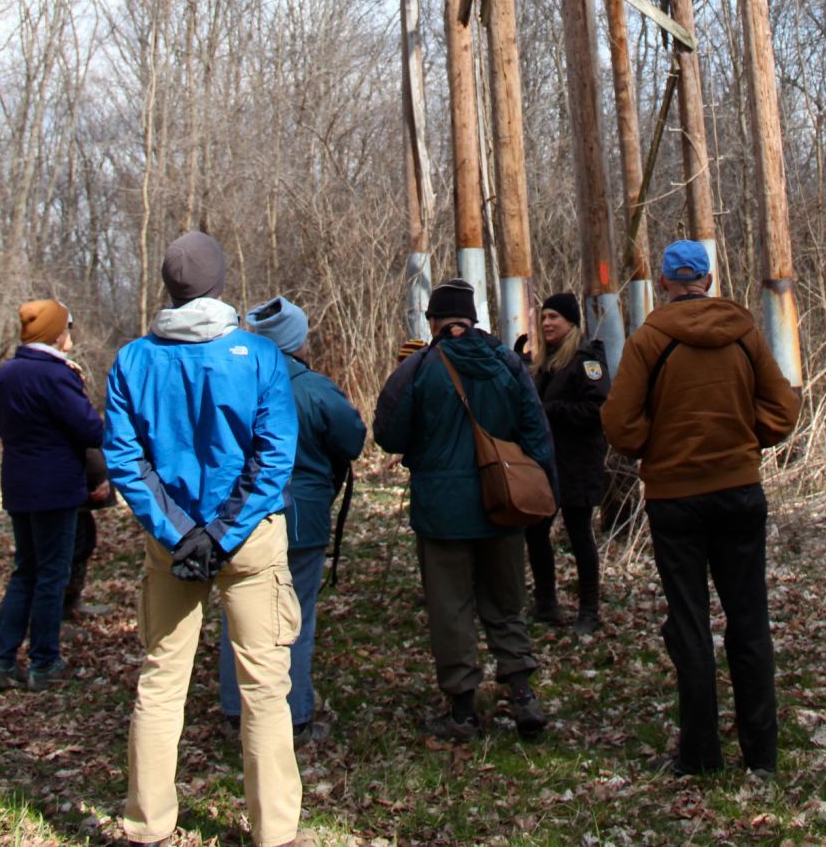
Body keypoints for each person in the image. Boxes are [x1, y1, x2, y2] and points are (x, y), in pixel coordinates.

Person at [104, 232, 304, 847]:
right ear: (220, 285)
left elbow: (124, 457)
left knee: (161, 680)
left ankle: (147, 826)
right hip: (249, 543)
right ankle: (275, 832)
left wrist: (183, 532)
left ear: (169, 287)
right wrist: (219, 532)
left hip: (174, 546)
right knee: (265, 687)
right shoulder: (260, 356)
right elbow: (274, 459)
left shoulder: (133, 360)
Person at [601, 239, 800, 779]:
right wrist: (743, 439)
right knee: (750, 622)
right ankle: (761, 757)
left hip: (674, 500)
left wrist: (659, 446)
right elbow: (784, 412)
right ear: (708, 280)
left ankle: (700, 756)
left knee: (688, 625)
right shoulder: (744, 334)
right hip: (739, 494)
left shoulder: (649, 341)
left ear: (665, 283)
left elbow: (619, 426)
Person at [372, 277, 556, 742]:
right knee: (507, 603)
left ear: (433, 321)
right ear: (473, 320)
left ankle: (462, 710)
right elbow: (538, 435)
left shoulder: (418, 369)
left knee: (451, 609)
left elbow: (388, 435)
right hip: (505, 501)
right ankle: (521, 694)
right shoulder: (507, 363)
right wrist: (540, 495)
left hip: (442, 511)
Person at [219, 296, 366, 743]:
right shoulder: (314, 388)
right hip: (298, 520)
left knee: (238, 617)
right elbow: (353, 438)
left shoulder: (230, 383)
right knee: (293, 619)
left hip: (238, 518)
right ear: (297, 339)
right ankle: (294, 716)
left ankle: (234, 713)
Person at [0, 299, 105, 692]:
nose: (70, 332)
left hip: (18, 484)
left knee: (26, 572)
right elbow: (89, 429)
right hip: (54, 488)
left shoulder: (7, 373)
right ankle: (44, 663)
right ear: (56, 333)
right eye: (66, 326)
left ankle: (1, 662)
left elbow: (3, 426)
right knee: (52, 574)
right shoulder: (54, 376)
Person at [523, 291, 609, 634]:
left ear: (571, 323)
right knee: (536, 531)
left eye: (554, 318)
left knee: (578, 534)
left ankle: (589, 610)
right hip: (547, 464)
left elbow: (598, 409)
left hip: (578, 463)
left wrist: (553, 411)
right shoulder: (543, 363)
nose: (547, 324)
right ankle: (546, 603)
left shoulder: (587, 360)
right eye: (543, 318)